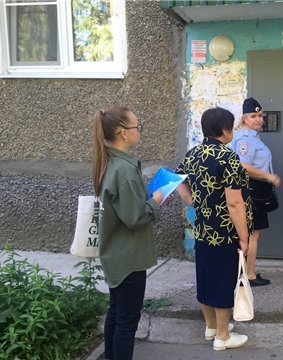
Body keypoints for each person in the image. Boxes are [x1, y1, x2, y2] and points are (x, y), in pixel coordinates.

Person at [175, 107, 253, 351]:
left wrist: (191, 200)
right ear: (224, 130)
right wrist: (244, 237)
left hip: (203, 230)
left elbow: (177, 179)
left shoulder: (194, 154)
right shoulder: (227, 157)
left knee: (206, 277)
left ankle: (211, 327)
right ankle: (223, 337)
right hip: (225, 231)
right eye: (232, 127)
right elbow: (234, 202)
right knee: (223, 280)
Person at [92, 106, 167, 360]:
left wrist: (150, 198)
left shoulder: (112, 161)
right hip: (128, 257)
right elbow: (135, 217)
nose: (139, 132)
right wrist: (156, 200)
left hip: (117, 254)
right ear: (124, 133)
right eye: (137, 127)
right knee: (126, 321)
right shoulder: (123, 170)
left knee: (117, 312)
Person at [229, 97, 281, 287]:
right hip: (251, 189)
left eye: (260, 115)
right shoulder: (245, 138)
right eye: (253, 116)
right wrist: (269, 177)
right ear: (244, 118)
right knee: (252, 234)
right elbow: (243, 165)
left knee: (248, 233)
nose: (258, 119)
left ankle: (244, 273)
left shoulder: (250, 135)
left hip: (251, 188)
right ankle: (248, 276)